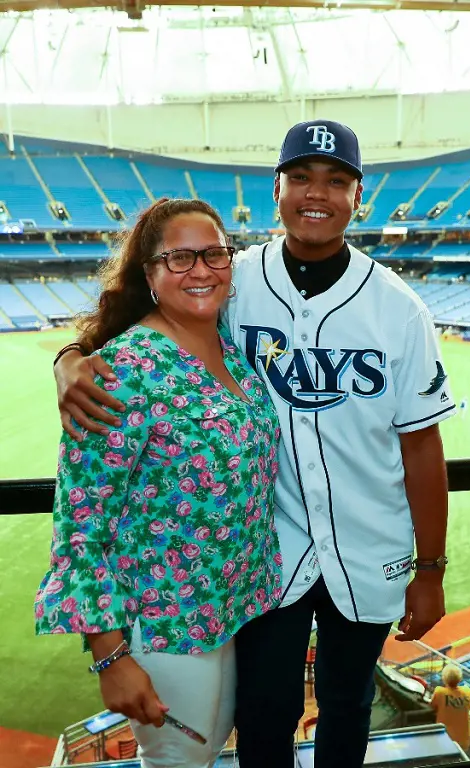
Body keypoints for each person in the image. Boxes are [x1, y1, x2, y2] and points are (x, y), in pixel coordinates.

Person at [53, 120, 455, 767]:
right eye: (300, 177)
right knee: (266, 712)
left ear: (360, 194)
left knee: (348, 705)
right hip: (270, 554)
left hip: (368, 543)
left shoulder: (398, 308)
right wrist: (70, 359)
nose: (315, 193)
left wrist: (430, 570)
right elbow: (137, 319)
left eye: (335, 180)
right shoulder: (230, 278)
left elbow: (422, 447)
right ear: (276, 189)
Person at [36, 198, 284, 768]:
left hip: (232, 608)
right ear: (149, 274)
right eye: (179, 258)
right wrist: (110, 657)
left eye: (214, 254)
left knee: (206, 750)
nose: (201, 270)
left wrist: (69, 351)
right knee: (176, 760)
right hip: (166, 622)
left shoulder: (230, 350)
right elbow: (81, 525)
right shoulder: (122, 371)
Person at [430, 664, 470, 753]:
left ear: (444, 678)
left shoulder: (439, 691)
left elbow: (432, 706)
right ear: (460, 678)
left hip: (444, 738)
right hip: (464, 739)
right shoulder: (467, 691)